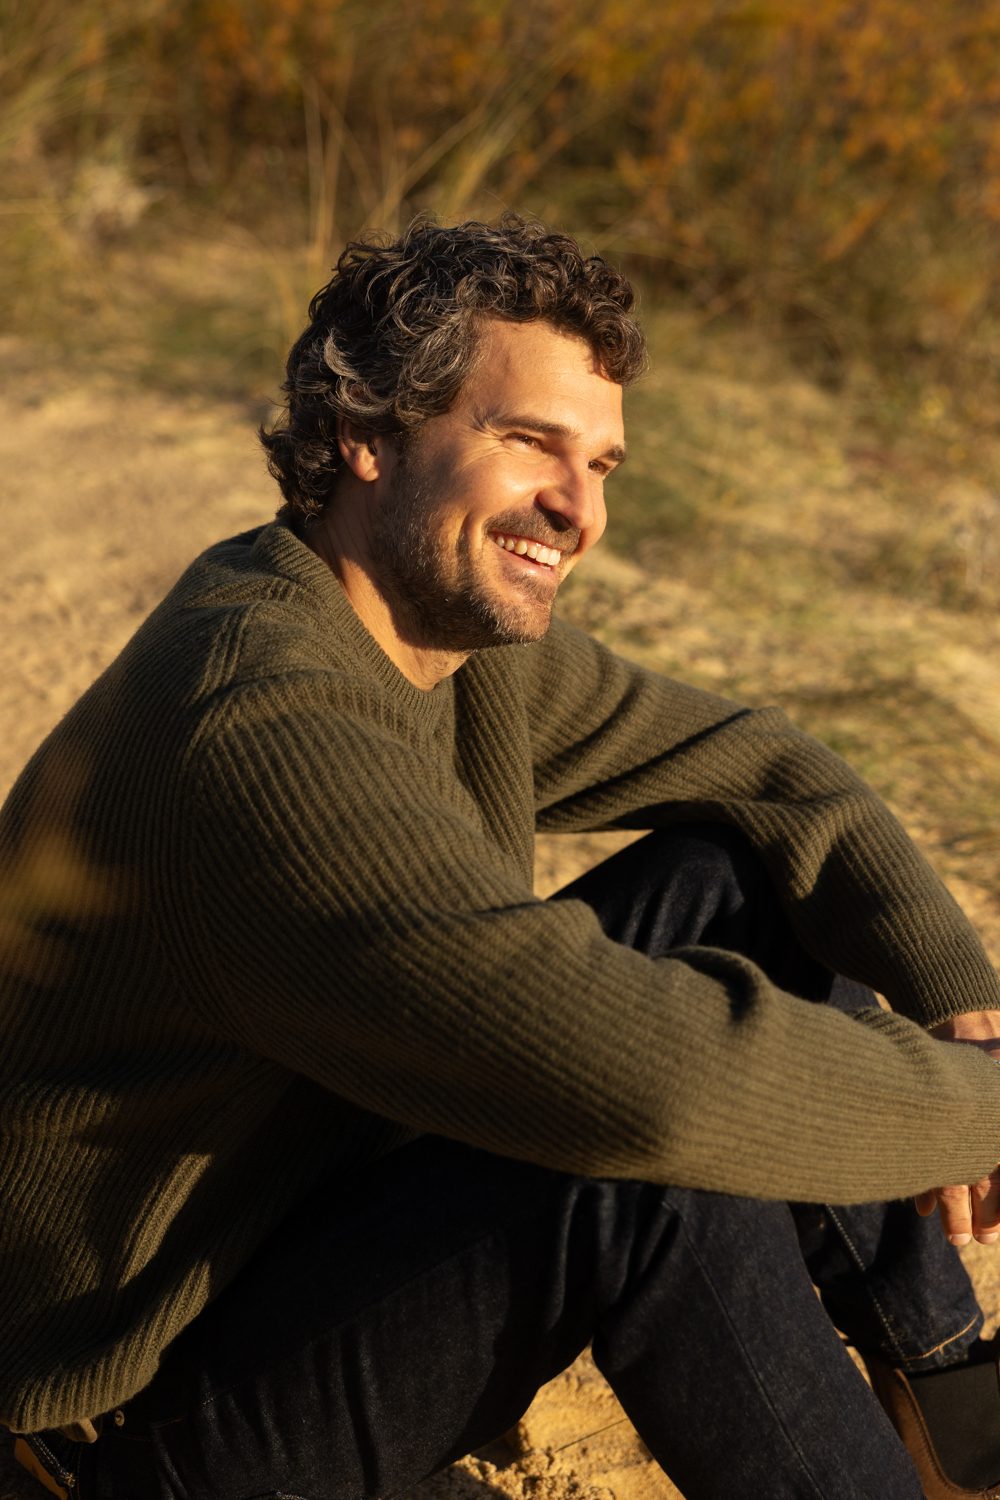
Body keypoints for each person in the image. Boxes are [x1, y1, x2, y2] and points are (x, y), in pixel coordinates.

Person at [3, 214, 1000, 1500]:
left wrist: (956, 994)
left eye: (602, 462)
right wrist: (974, 1109)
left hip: (279, 1231)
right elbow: (652, 1087)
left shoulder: (432, 631)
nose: (579, 509)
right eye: (528, 441)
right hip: (114, 1411)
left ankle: (949, 1401)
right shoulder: (265, 727)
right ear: (365, 434)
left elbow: (769, 771)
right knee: (640, 1179)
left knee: (733, 880)